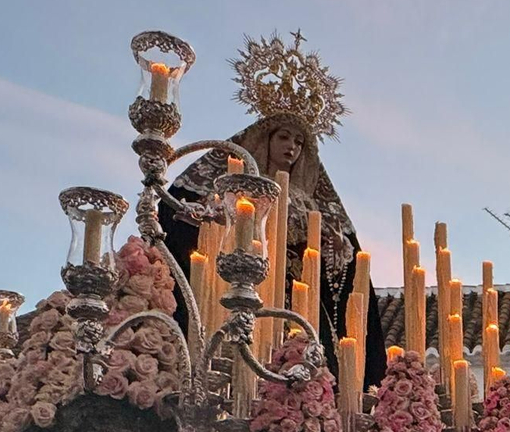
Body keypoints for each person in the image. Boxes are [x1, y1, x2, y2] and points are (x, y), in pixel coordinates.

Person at [164, 114, 386, 392]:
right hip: (238, 287)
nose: (291, 147)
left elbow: (334, 256)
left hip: (295, 299)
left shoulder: (306, 200)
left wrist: (336, 246)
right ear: (265, 139)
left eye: (299, 142)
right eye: (283, 137)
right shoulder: (237, 186)